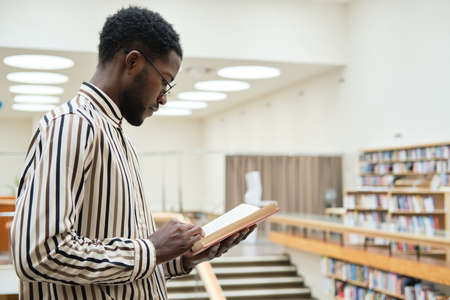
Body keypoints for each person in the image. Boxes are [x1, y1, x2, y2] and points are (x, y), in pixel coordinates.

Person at [10, 6, 255, 299]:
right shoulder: (73, 125)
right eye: (164, 80)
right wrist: (151, 248)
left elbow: (123, 268)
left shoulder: (120, 139)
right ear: (133, 62)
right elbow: (38, 254)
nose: (163, 98)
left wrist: (183, 257)